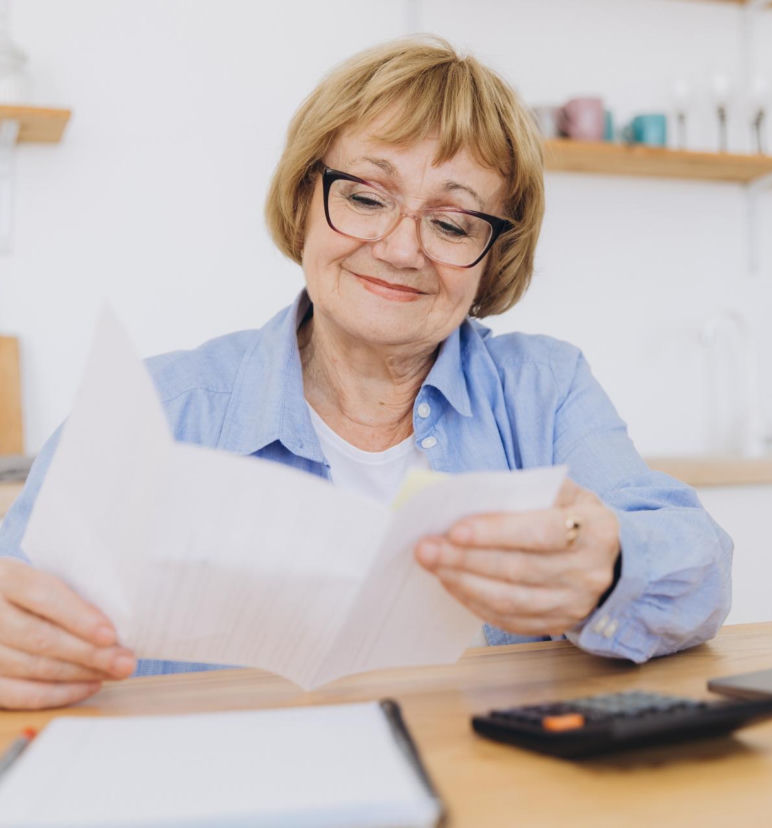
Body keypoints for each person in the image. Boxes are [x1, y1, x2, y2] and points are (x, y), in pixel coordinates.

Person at [0, 37, 732, 710]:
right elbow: (18, 601)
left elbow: (699, 569)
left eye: (452, 223)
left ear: (493, 257)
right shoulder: (157, 409)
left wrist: (607, 570)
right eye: (365, 196)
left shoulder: (544, 389)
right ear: (304, 201)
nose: (400, 247)